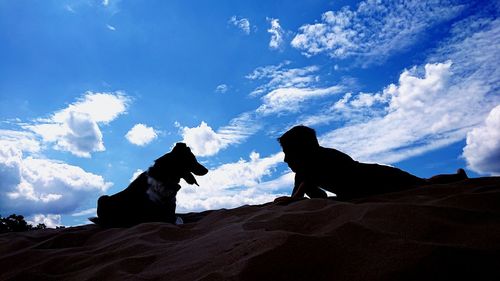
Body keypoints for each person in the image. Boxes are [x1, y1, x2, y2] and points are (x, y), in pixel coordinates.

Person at [274, 125, 468, 204]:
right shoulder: (304, 173)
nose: (285, 160)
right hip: (370, 186)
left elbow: (347, 190)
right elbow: (313, 197)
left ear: (305, 152)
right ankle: (456, 177)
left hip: (380, 176)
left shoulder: (327, 159)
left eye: (289, 154)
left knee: (423, 184)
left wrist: (298, 198)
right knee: (422, 183)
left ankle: (457, 178)